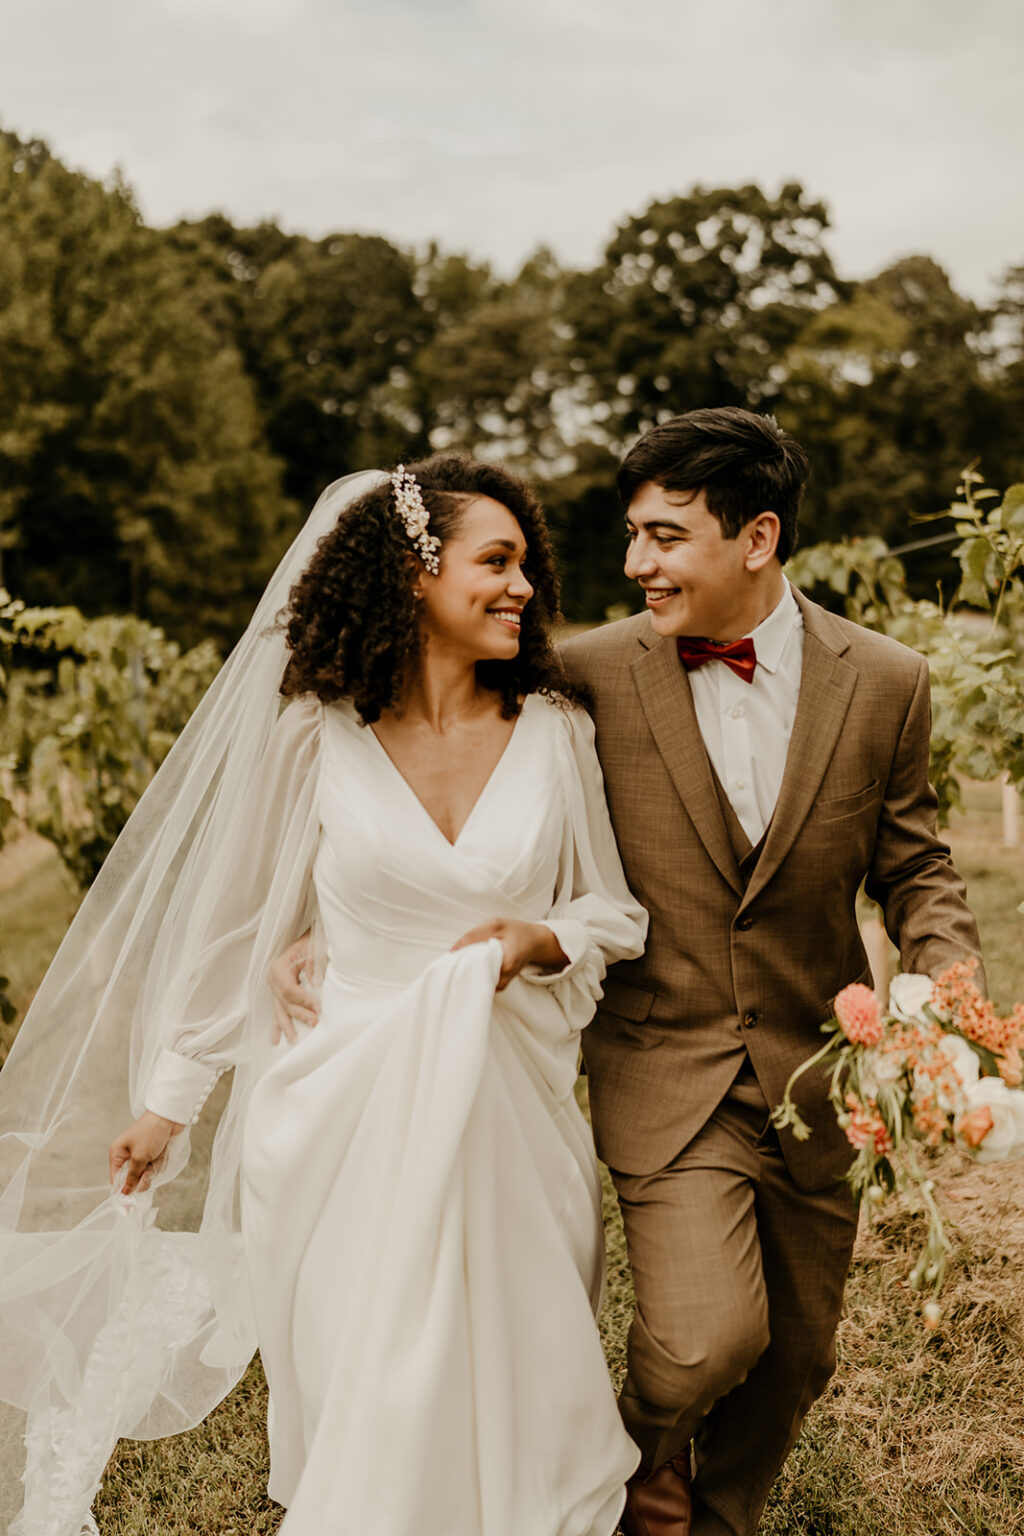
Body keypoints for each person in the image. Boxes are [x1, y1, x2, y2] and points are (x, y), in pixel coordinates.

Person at [273, 407, 983, 1536]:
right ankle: (629, 1457)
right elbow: (421, 740)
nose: (632, 564)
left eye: (663, 536)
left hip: (823, 1073)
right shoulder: (581, 674)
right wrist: (323, 922)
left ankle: (708, 1517)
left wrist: (948, 986)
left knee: (795, 1358)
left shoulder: (885, 679)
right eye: (629, 535)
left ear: (755, 539)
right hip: (666, 1063)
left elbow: (917, 864)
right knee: (704, 1336)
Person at [0, 454, 647, 1536]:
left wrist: (539, 937)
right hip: (340, 1120)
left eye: (525, 565)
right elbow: (233, 927)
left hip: (510, 1120)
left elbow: (612, 914)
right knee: (380, 1397)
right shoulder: (315, 735)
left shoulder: (556, 730)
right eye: (496, 561)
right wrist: (170, 1104)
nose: (522, 587)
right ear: (411, 573)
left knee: (532, 1403)